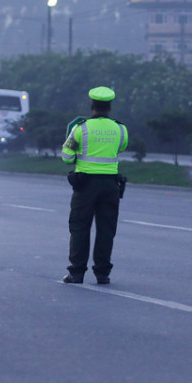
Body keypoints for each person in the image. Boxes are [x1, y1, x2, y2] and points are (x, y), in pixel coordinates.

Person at [60, 86, 128, 285]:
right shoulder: (120, 129)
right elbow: (121, 148)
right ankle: (102, 274)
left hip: (85, 185)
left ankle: (77, 273)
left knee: (80, 228)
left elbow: (66, 157)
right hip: (110, 186)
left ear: (92, 106)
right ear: (110, 107)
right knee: (106, 230)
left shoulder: (80, 128)